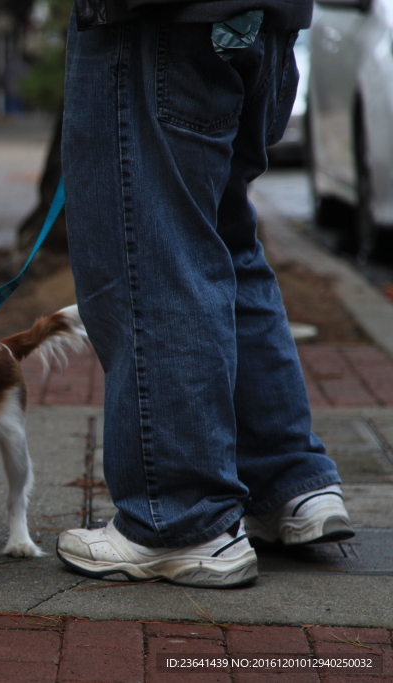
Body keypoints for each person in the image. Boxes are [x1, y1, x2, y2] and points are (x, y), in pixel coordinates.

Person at [55, 0, 354, 587]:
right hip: (265, 22)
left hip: (159, 23)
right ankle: (287, 483)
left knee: (154, 255)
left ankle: (180, 520)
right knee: (223, 240)